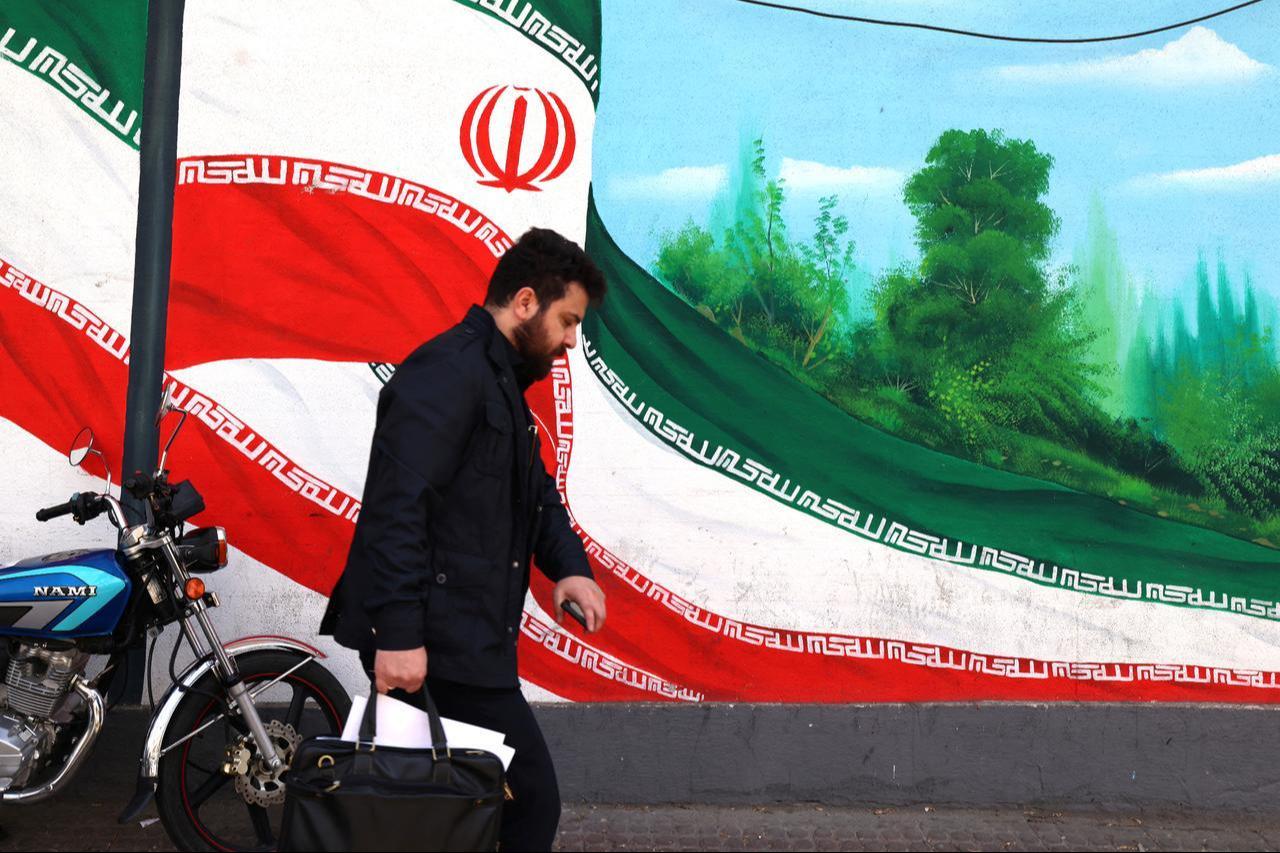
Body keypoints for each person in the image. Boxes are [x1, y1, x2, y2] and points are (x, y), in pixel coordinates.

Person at [319, 227, 608, 851]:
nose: (568, 342)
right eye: (567, 321)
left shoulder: (499, 385)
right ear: (525, 302)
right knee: (526, 804)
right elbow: (398, 510)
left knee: (447, 815)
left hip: (467, 637)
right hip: (435, 643)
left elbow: (536, 497)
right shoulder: (447, 374)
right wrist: (398, 634)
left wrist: (570, 568)